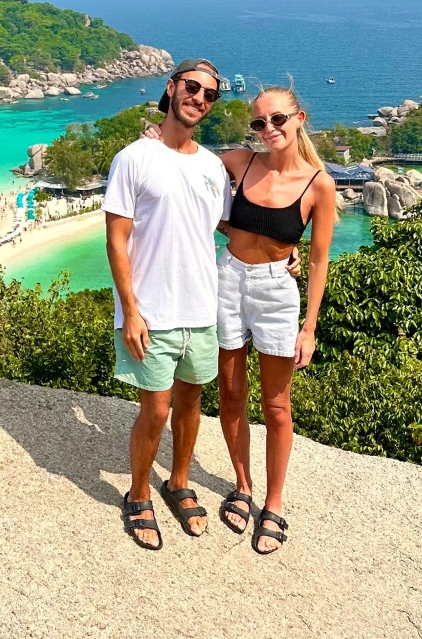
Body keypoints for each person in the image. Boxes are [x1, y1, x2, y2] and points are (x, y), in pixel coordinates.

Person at [103, 59, 229, 551]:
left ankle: (178, 481)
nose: (199, 98)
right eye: (192, 88)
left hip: (201, 308)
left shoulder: (213, 166)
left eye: (210, 94)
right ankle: (138, 493)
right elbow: (116, 240)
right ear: (172, 87)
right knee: (155, 411)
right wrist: (130, 311)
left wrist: (285, 253)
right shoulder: (133, 158)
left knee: (192, 403)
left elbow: (225, 226)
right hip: (151, 311)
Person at [215, 84, 336, 554]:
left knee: (277, 406)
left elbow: (319, 259)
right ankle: (243, 486)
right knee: (230, 394)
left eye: (278, 119)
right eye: (259, 122)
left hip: (276, 294)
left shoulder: (318, 184)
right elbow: (187, 166)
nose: (268, 129)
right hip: (227, 279)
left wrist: (310, 327)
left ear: (299, 118)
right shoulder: (240, 162)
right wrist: (154, 137)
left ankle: (275, 502)